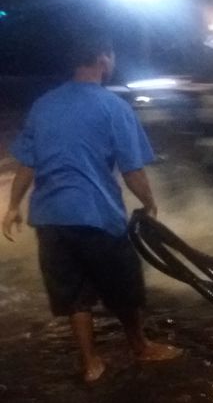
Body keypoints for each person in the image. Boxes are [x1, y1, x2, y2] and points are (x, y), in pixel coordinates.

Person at [2, 30, 182, 382]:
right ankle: (141, 347)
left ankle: (90, 364)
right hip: (96, 216)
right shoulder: (113, 107)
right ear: (103, 59)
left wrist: (12, 206)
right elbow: (132, 169)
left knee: (75, 296)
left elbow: (27, 163)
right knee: (124, 287)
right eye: (111, 57)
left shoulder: (45, 104)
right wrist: (149, 203)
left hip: (50, 218)